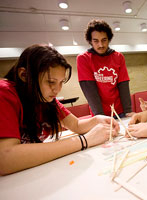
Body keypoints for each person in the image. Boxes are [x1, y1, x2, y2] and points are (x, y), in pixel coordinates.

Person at [0, 44, 119, 175]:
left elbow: (76, 125)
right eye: (51, 82)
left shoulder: (46, 99)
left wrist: (97, 120)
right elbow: (5, 158)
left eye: (61, 82)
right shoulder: (5, 93)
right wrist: (84, 140)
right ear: (24, 75)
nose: (57, 90)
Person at [77, 19, 134, 118]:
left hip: (119, 110)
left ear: (109, 39)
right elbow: (90, 90)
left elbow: (123, 85)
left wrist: (128, 111)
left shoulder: (118, 57)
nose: (101, 45)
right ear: (90, 41)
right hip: (99, 113)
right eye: (96, 41)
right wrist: (100, 116)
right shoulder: (83, 59)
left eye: (104, 40)